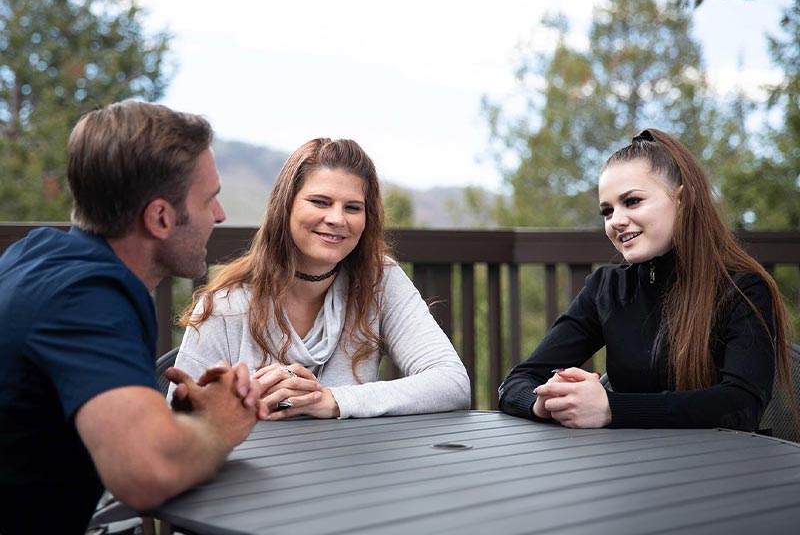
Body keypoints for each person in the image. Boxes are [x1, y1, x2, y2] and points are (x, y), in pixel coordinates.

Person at [0, 101, 266, 535]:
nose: (219, 215)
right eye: (210, 199)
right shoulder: (86, 298)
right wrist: (222, 423)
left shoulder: (36, 254)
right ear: (160, 217)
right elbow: (148, 473)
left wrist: (180, 427)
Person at [499, 128, 796, 431]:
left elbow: (741, 406)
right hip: (631, 468)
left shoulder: (742, 288)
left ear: (681, 199)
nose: (615, 220)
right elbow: (516, 383)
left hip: (720, 469)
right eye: (607, 210)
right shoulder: (606, 290)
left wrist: (612, 408)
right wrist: (547, 401)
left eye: (632, 201)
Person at [170, 137, 470, 419]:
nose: (337, 219)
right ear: (286, 206)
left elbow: (452, 383)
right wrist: (242, 406)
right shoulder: (226, 303)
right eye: (320, 202)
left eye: (352, 207)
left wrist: (333, 400)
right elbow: (179, 418)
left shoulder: (380, 281)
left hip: (351, 468)